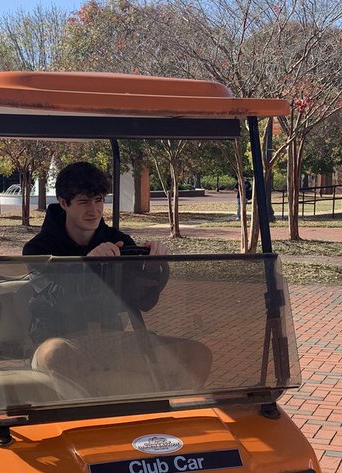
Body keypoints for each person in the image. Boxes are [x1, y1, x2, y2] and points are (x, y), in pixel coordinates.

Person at [21, 162, 210, 398]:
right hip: (61, 339)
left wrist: (152, 269)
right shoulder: (38, 248)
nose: (93, 210)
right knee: (57, 355)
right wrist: (86, 266)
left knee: (196, 355)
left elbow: (144, 302)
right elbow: (54, 297)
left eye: (98, 200)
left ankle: (160, 421)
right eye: (83, 202)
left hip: (111, 339)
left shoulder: (119, 241)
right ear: (63, 203)